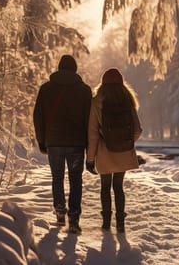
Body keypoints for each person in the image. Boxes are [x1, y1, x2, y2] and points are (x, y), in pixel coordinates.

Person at [33, 55, 92, 234]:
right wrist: (90, 145)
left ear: (59, 68)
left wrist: (42, 141)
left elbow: (38, 117)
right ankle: (73, 219)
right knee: (76, 180)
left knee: (57, 178)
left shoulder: (45, 89)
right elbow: (89, 120)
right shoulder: (84, 91)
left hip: (54, 143)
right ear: (75, 70)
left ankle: (60, 211)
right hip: (76, 144)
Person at [86, 68, 142, 233]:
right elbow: (137, 130)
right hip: (123, 152)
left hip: (104, 152)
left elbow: (93, 133)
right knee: (118, 187)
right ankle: (120, 223)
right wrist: (125, 142)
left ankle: (106, 222)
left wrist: (90, 158)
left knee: (105, 187)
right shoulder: (127, 101)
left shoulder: (96, 102)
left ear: (102, 84)